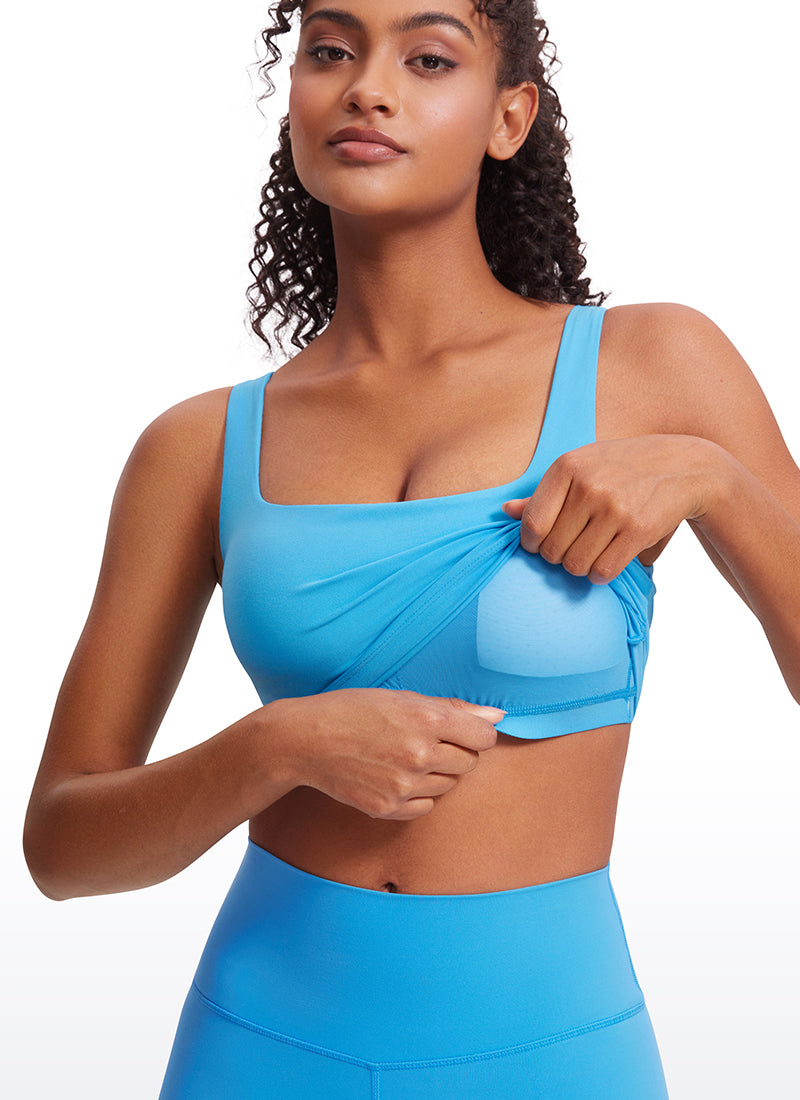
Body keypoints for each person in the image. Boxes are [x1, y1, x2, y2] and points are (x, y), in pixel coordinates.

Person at [23, 1, 800, 1096]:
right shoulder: (197, 447)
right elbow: (63, 849)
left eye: (427, 58)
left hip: (551, 1049)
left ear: (509, 117)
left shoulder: (653, 364)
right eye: (330, 51)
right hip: (262, 1043)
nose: (367, 87)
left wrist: (716, 482)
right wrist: (272, 747)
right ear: (294, 99)